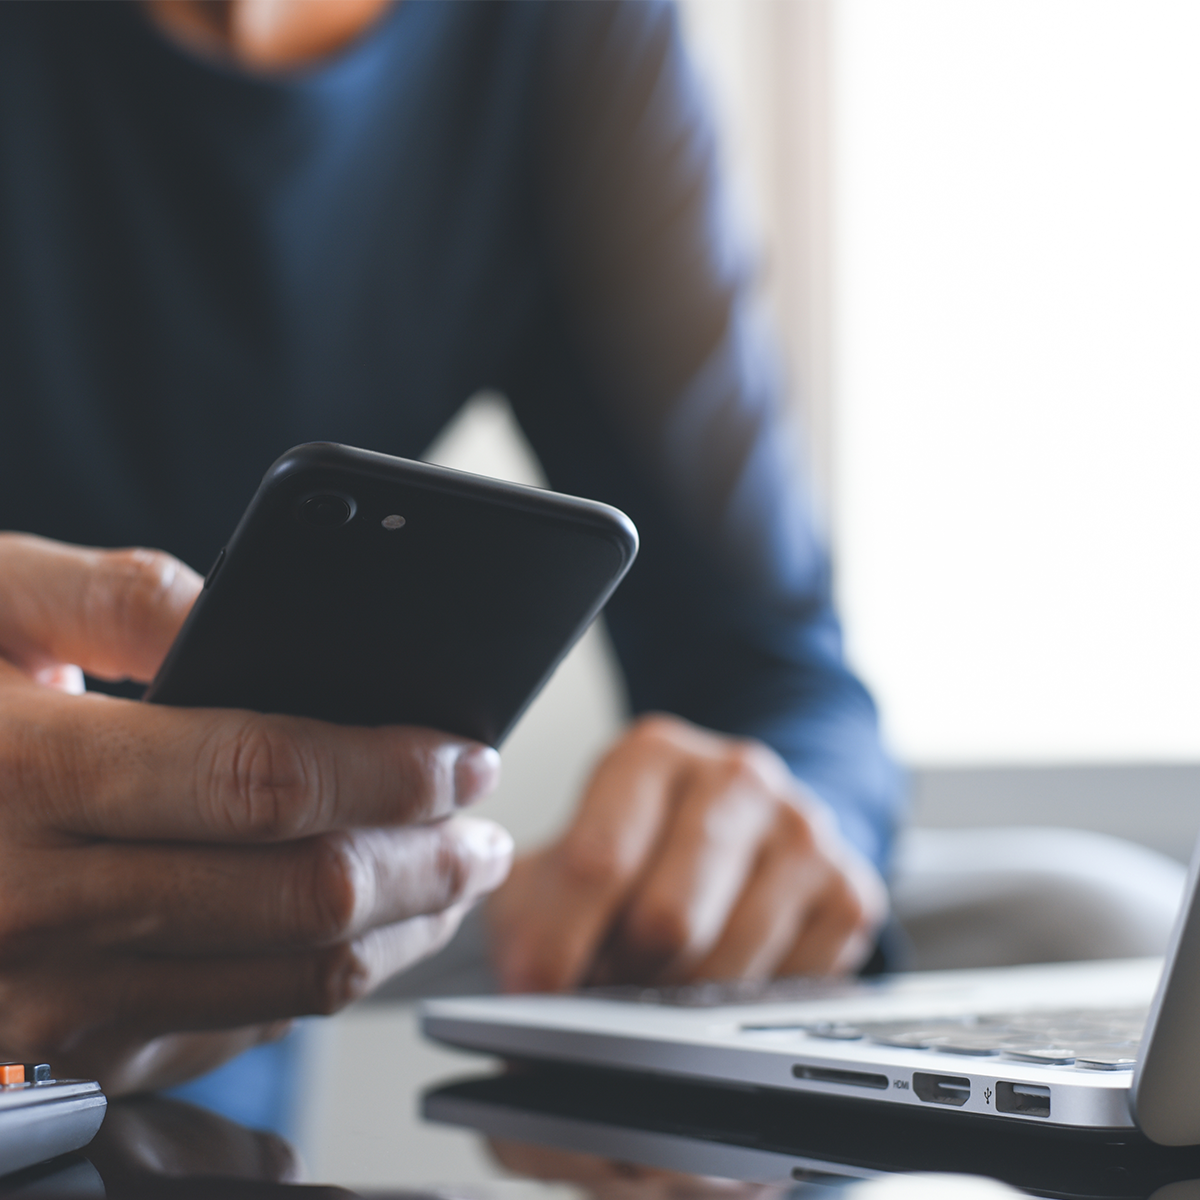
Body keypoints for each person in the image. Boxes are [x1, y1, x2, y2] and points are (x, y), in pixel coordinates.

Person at [0, 0, 902, 1112]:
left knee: (1083, 909)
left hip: (202, 1074)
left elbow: (774, 671)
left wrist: (761, 842)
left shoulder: (568, 34)